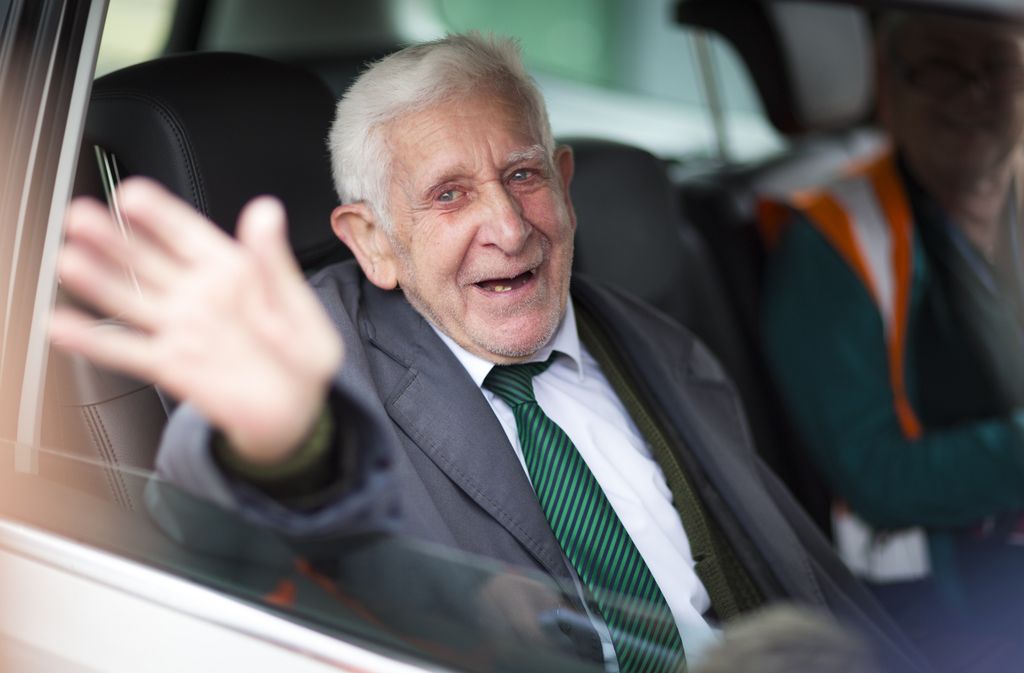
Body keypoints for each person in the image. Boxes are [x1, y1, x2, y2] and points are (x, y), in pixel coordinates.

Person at [51, 34, 921, 673]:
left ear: (566, 186)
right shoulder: (310, 363)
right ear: (372, 240)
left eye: (523, 175)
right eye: (449, 194)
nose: (507, 228)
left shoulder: (661, 344)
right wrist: (284, 447)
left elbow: (815, 585)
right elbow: (237, 540)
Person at [760, 10, 1024, 666]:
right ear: (889, 84)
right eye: (939, 66)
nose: (971, 92)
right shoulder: (831, 242)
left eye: (999, 66)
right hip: (946, 594)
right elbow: (875, 474)